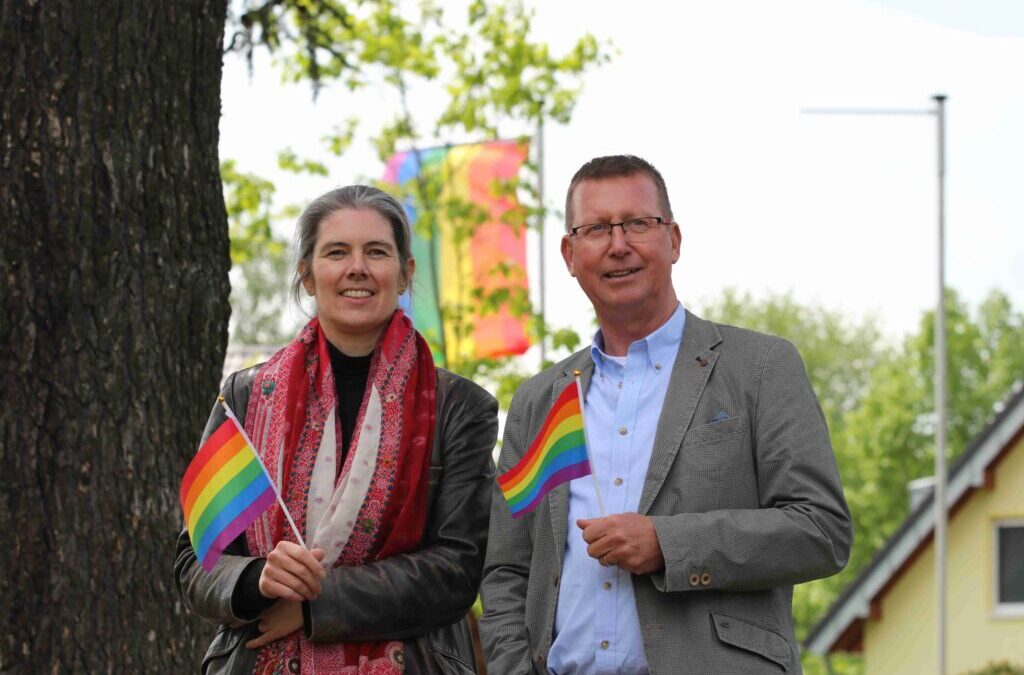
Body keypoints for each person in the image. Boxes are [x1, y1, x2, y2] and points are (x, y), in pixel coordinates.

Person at [479, 155, 852, 675]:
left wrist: (669, 544)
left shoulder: (760, 367)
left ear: (673, 240)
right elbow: (506, 568)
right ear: (569, 253)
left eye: (637, 223)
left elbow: (821, 531)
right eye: (596, 229)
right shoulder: (539, 401)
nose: (618, 244)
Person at [175, 185, 498, 674]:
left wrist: (314, 605)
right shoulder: (245, 398)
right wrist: (258, 579)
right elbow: (197, 558)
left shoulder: (459, 408)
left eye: (376, 252)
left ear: (405, 272)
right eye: (336, 252)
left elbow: (456, 570)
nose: (357, 268)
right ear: (307, 275)